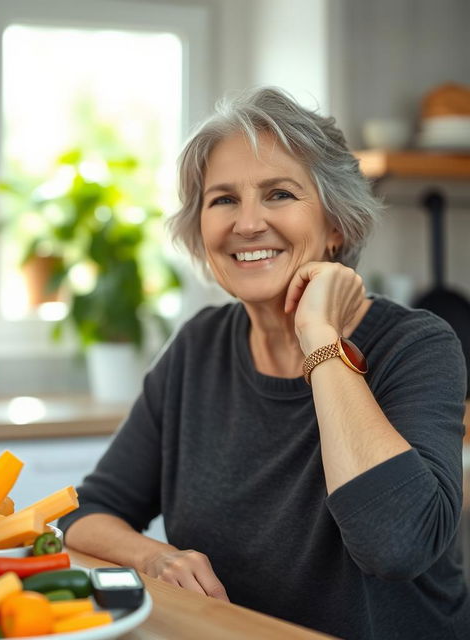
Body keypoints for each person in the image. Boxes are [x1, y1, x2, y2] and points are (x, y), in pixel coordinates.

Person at [58, 87, 470, 639]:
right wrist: (154, 557)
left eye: (278, 194)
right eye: (223, 200)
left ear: (336, 224)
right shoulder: (197, 349)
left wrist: (319, 338)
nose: (248, 224)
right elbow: (86, 513)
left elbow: (396, 544)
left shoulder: (415, 346)